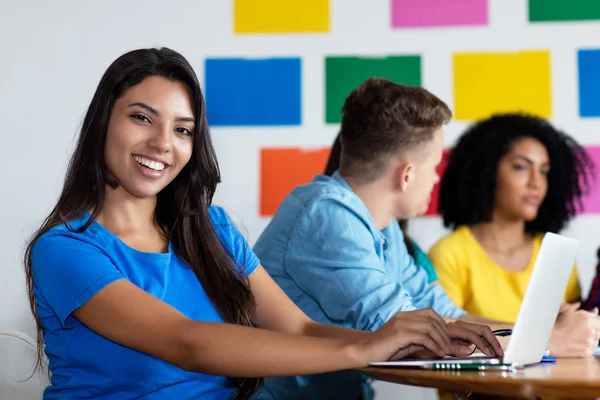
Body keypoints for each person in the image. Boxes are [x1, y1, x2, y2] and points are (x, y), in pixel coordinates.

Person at [24, 47, 497, 400]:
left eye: (183, 129)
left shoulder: (212, 229)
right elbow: (186, 342)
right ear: (104, 121)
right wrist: (362, 351)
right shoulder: (66, 249)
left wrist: (405, 344)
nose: (163, 143)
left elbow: (300, 329)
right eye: (142, 118)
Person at [252, 78, 504, 400]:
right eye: (436, 165)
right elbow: (402, 330)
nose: (437, 177)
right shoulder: (325, 214)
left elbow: (438, 311)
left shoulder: (385, 228)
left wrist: (535, 332)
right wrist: (545, 340)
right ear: (407, 174)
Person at [429, 113, 600, 357]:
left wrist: (570, 323)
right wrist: (545, 335)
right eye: (521, 167)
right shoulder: (450, 254)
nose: (536, 182)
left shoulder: (553, 250)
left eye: (544, 171)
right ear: (486, 171)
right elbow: (444, 339)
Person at [324, 132, 439, 285]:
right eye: (433, 167)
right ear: (406, 175)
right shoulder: (335, 232)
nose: (436, 178)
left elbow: (426, 296)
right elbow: (381, 304)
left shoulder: (392, 233)